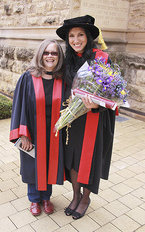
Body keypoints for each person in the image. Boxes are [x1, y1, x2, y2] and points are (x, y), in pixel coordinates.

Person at [56, 15, 117, 220]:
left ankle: (85, 199)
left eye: (80, 35)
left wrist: (98, 104)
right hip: (74, 118)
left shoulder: (101, 58)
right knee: (72, 158)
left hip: (95, 118)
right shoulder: (68, 59)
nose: (75, 40)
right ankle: (75, 194)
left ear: (88, 36)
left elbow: (112, 93)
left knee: (89, 159)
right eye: (71, 36)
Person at [10, 39, 65, 216]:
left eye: (54, 53)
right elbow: (19, 106)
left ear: (59, 57)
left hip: (53, 132)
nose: (50, 56)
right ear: (40, 55)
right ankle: (34, 198)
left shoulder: (61, 79)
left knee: (49, 162)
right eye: (46, 52)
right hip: (32, 131)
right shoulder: (28, 77)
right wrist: (22, 134)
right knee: (33, 163)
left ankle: (46, 197)